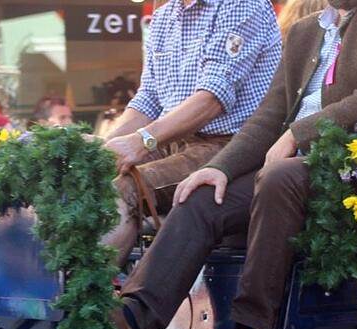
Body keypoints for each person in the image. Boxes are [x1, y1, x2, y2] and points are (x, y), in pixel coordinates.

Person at [113, 0, 357, 329]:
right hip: (289, 170)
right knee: (201, 193)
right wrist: (219, 167)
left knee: (279, 178)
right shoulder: (305, 30)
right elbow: (269, 114)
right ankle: (133, 321)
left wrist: (294, 136)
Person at [100, 0, 282, 269]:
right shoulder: (162, 16)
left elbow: (212, 99)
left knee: (124, 191)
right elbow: (148, 99)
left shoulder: (242, 4)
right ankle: (80, 297)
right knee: (96, 180)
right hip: (173, 139)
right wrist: (105, 149)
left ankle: (90, 304)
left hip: (231, 145)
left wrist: (142, 141)